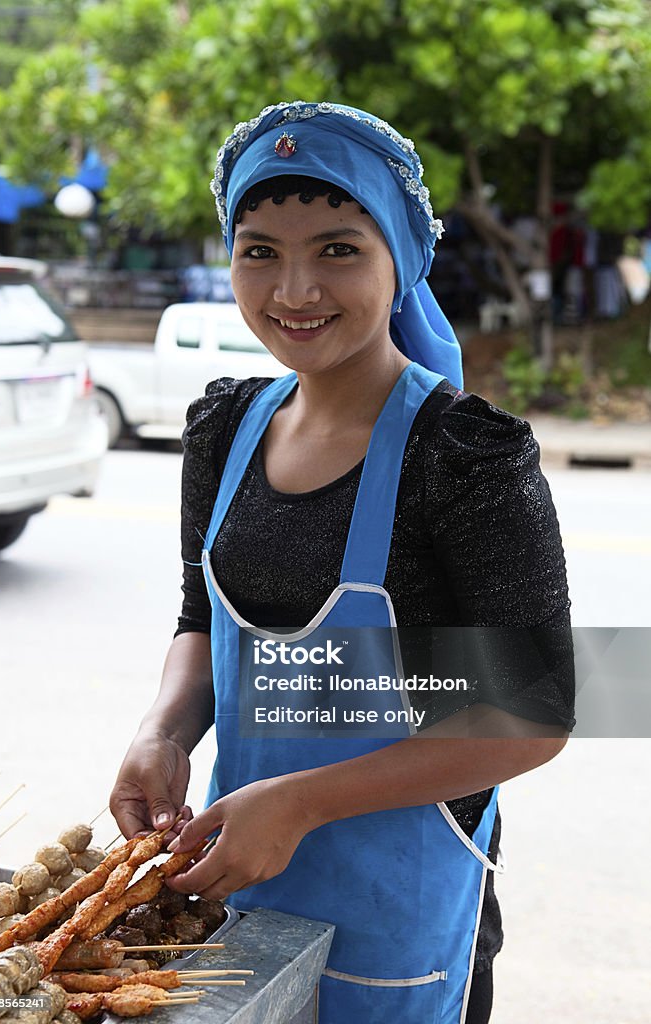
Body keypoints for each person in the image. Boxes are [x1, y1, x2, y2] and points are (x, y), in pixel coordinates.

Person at [110, 101, 575, 1024]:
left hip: (398, 923)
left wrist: (302, 803)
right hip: (233, 891)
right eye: (259, 251)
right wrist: (164, 730)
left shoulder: (465, 457)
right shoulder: (224, 429)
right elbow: (202, 621)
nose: (293, 290)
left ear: (399, 257)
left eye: (337, 249)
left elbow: (534, 717)